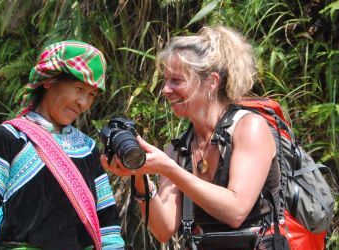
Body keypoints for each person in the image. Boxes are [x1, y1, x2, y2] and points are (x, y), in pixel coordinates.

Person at [101, 26, 285, 249]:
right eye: (166, 80)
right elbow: (163, 229)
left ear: (211, 82)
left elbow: (236, 211)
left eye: (176, 80)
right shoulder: (179, 150)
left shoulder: (249, 127)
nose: (165, 90)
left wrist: (169, 169)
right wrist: (140, 175)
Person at [0, 40, 125, 250]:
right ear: (48, 81)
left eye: (92, 95)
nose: (84, 103)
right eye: (78, 88)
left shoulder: (86, 147)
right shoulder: (10, 138)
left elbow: (107, 224)